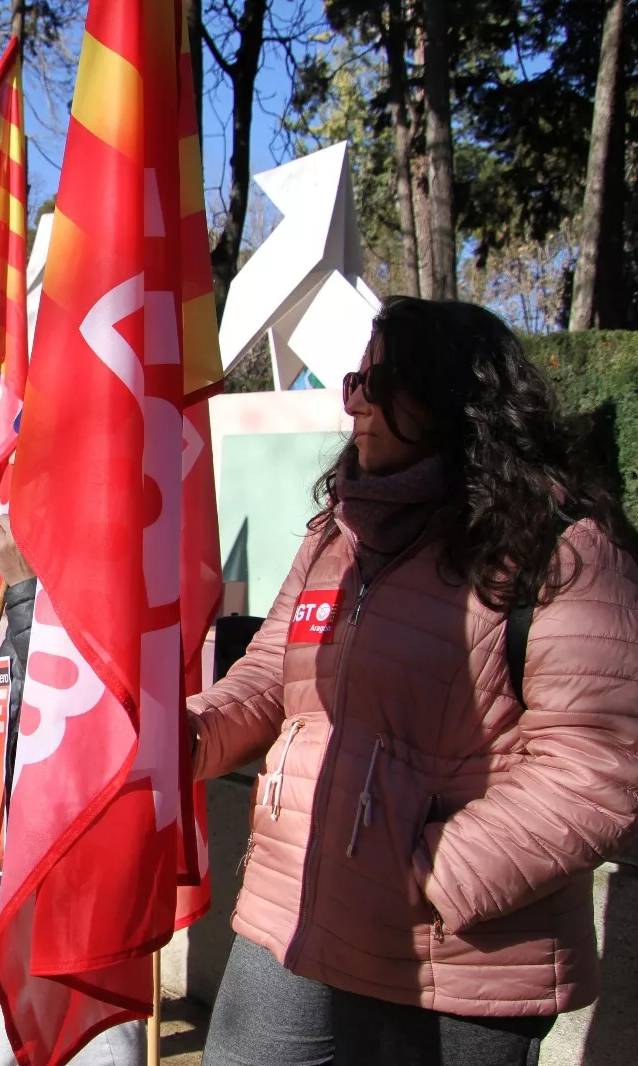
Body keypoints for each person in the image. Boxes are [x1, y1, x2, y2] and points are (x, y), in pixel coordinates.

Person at [190, 297, 638, 1066]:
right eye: (353, 379)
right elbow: (272, 676)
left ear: (449, 397)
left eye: (376, 379)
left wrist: (437, 870)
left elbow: (598, 762)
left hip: (457, 956)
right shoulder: (336, 534)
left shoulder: (563, 553)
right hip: (292, 908)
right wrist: (189, 735)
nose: (352, 400)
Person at [0, 517, 147, 1066]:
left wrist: (24, 590)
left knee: (89, 994)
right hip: (22, 813)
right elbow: (25, 685)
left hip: (80, 813)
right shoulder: (33, 575)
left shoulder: (103, 558)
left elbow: (80, 685)